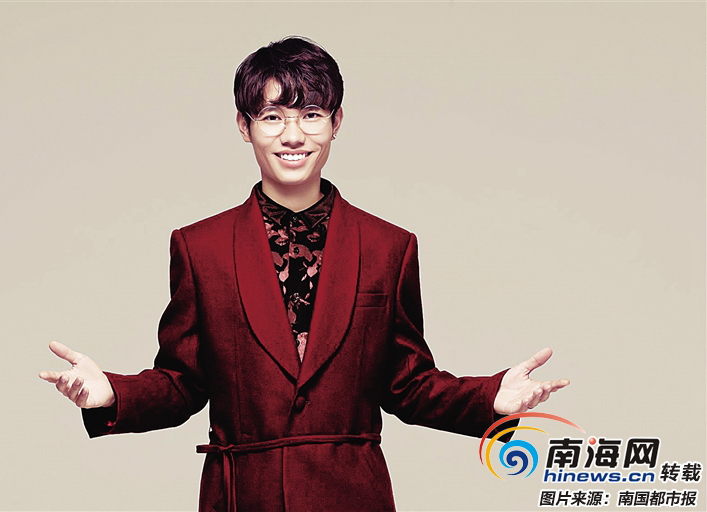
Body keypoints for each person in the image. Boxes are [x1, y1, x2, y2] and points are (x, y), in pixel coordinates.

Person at [39, 36, 569, 511]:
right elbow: (183, 382)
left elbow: (407, 383)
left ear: (336, 123)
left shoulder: (388, 247)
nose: (293, 135)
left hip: (351, 495)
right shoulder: (200, 248)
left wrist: (491, 399)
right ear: (244, 127)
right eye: (272, 117)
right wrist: (110, 393)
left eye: (311, 114)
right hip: (242, 494)